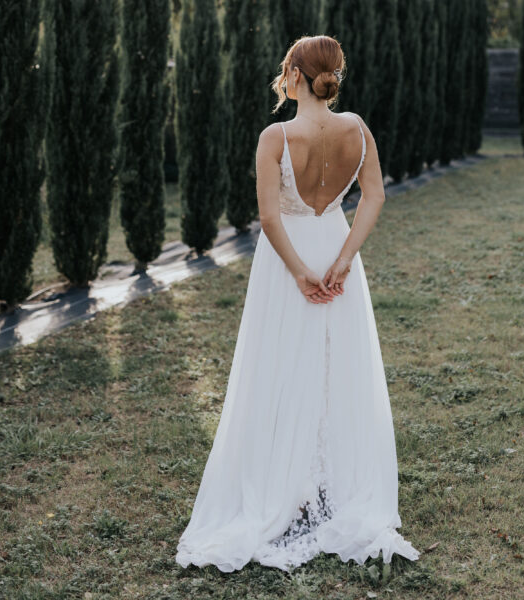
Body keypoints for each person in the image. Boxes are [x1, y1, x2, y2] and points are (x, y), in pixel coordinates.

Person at [176, 34, 420, 573]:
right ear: (333, 77)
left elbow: (268, 218)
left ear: (293, 76)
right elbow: (374, 194)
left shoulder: (276, 136)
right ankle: (330, 483)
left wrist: (302, 273)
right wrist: (343, 259)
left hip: (287, 261)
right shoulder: (357, 129)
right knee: (338, 368)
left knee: (279, 367)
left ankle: (287, 483)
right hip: (335, 250)